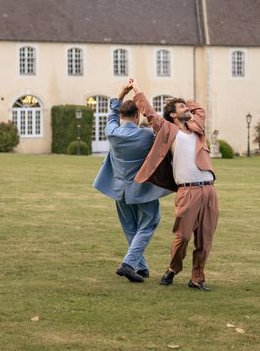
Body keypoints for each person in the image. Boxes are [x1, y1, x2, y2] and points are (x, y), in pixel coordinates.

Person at [130, 79, 219, 291]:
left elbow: (200, 110)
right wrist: (137, 91)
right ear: (172, 114)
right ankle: (172, 268)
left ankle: (197, 278)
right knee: (183, 236)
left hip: (209, 189)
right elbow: (150, 114)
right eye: (181, 108)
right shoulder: (168, 129)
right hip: (187, 191)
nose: (187, 109)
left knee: (205, 240)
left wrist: (182, 101)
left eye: (186, 107)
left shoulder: (196, 128)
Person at [93, 82, 172, 283]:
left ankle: (141, 267)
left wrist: (121, 92)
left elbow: (111, 114)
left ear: (121, 117)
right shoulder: (146, 135)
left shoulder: (112, 133)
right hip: (143, 190)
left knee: (130, 226)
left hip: (120, 190)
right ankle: (128, 264)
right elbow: (157, 124)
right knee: (150, 222)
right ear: (137, 116)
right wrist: (138, 92)